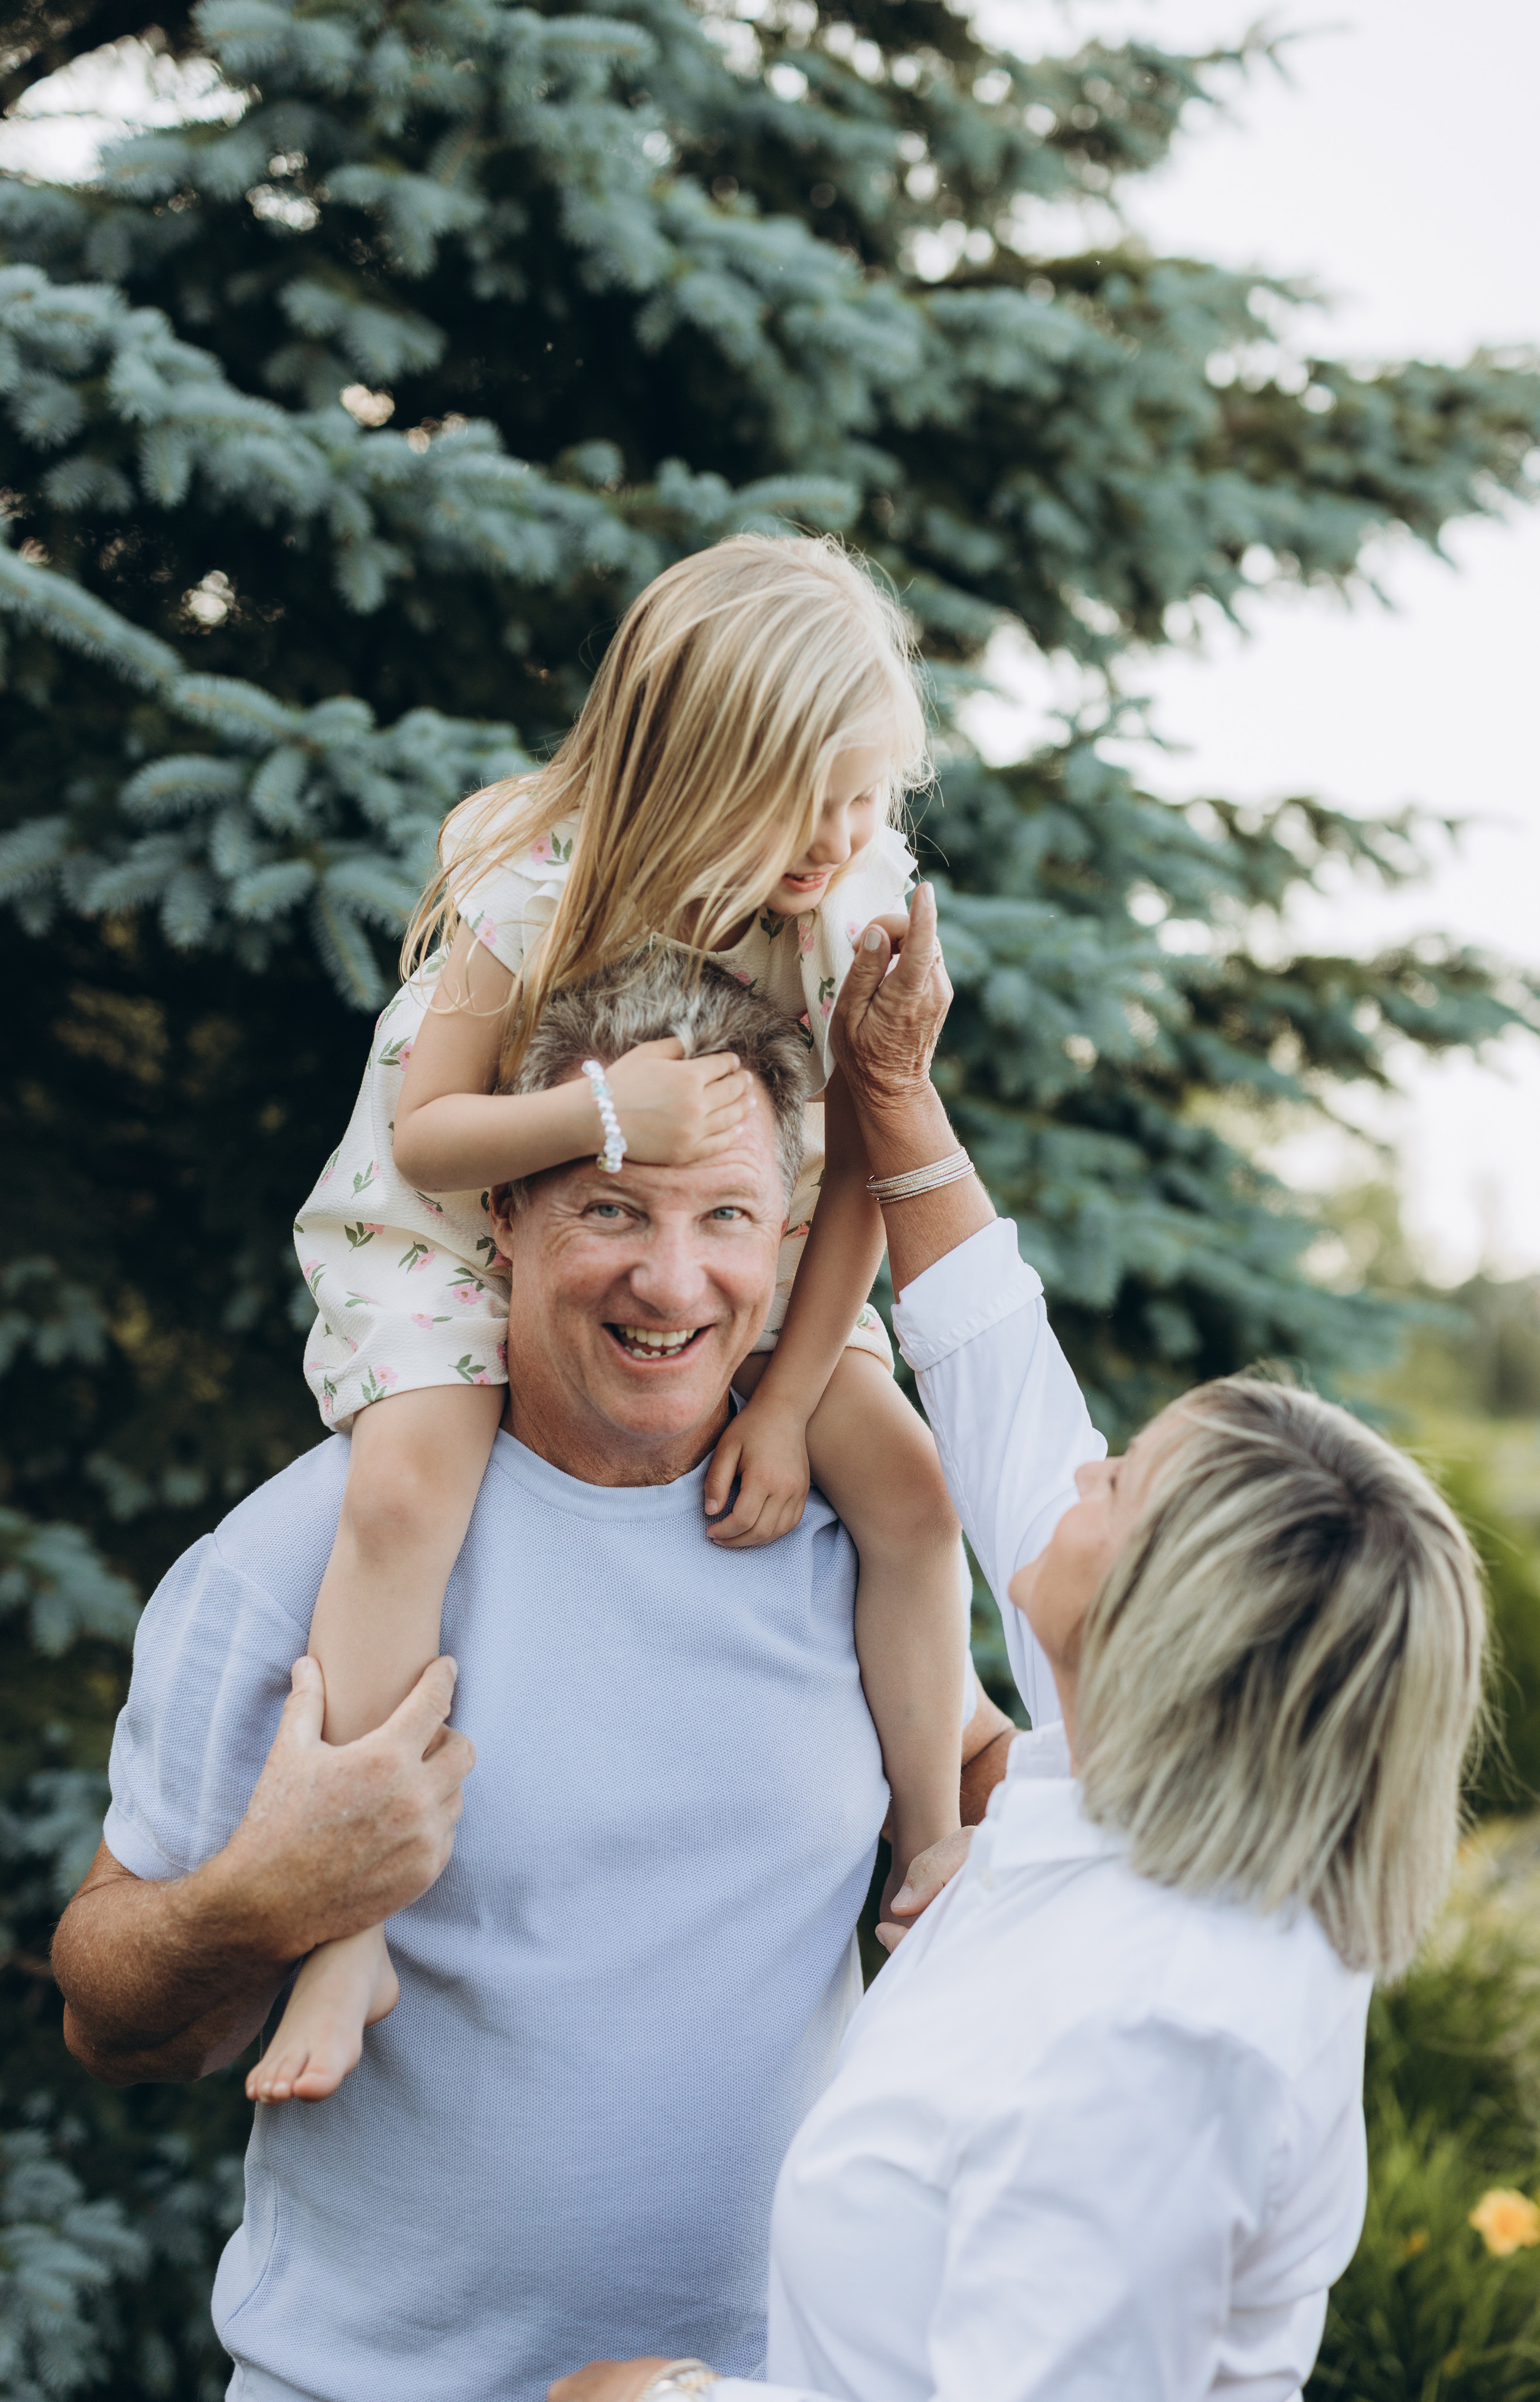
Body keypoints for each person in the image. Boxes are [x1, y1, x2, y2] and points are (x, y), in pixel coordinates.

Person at [554, 884, 1489, 2402]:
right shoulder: (1139, 1791)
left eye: (1121, 1485)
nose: (1082, 1469)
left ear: (1169, 1627)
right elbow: (1001, 1380)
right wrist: (895, 1090)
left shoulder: (1163, 2039)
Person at [51, 953, 1018, 2402]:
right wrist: (273, 1897)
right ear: (503, 1212)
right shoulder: (315, 1547)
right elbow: (104, 2011)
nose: (672, 1280)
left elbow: (973, 1790)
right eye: (612, 1209)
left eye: (728, 1218)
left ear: (788, 1237)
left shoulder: (845, 1544)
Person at [270, 532, 968, 2104]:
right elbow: (429, 1138)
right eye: (815, 798)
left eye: (872, 796)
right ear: (704, 762)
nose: (848, 834)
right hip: (468, 1225)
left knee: (912, 1492)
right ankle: (347, 1925)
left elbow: (857, 1166)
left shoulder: (846, 904)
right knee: (403, 1490)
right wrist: (600, 1116)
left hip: (758, 1239)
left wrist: (787, 1403)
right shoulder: (536, 890)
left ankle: (927, 1855)